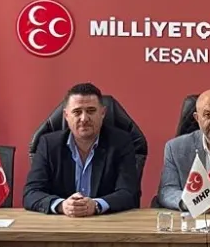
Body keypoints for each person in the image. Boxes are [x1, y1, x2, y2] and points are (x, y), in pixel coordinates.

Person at [23, 83, 140, 216]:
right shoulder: (48, 144)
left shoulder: (121, 142)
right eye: (77, 112)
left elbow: (129, 193)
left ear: (103, 113)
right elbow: (31, 193)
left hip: (107, 223)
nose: (84, 118)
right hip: (60, 224)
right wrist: (62, 205)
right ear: (66, 115)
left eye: (91, 111)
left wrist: (96, 205)